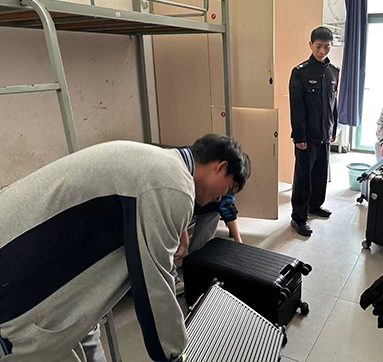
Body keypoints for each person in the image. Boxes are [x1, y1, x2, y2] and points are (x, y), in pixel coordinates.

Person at [0, 134, 251, 362]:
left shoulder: (160, 163)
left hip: (44, 269)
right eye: (228, 188)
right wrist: (173, 354)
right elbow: (153, 282)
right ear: (220, 167)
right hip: (18, 286)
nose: (221, 197)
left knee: (86, 336)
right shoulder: (174, 184)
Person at [289, 26, 340, 236]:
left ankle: (315, 206)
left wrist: (334, 128)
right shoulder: (300, 72)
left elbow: (333, 104)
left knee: (320, 173)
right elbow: (297, 108)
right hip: (307, 136)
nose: (322, 51)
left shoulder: (333, 71)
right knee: (303, 177)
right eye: (318, 46)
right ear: (310, 45)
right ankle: (298, 217)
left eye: (326, 47)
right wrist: (299, 136)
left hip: (325, 133)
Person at [172, 194, 241, 295]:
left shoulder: (219, 195)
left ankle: (195, 261)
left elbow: (226, 205)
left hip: (201, 203)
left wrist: (239, 243)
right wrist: (184, 240)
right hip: (177, 204)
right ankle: (171, 276)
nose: (219, 198)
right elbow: (177, 211)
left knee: (214, 209)